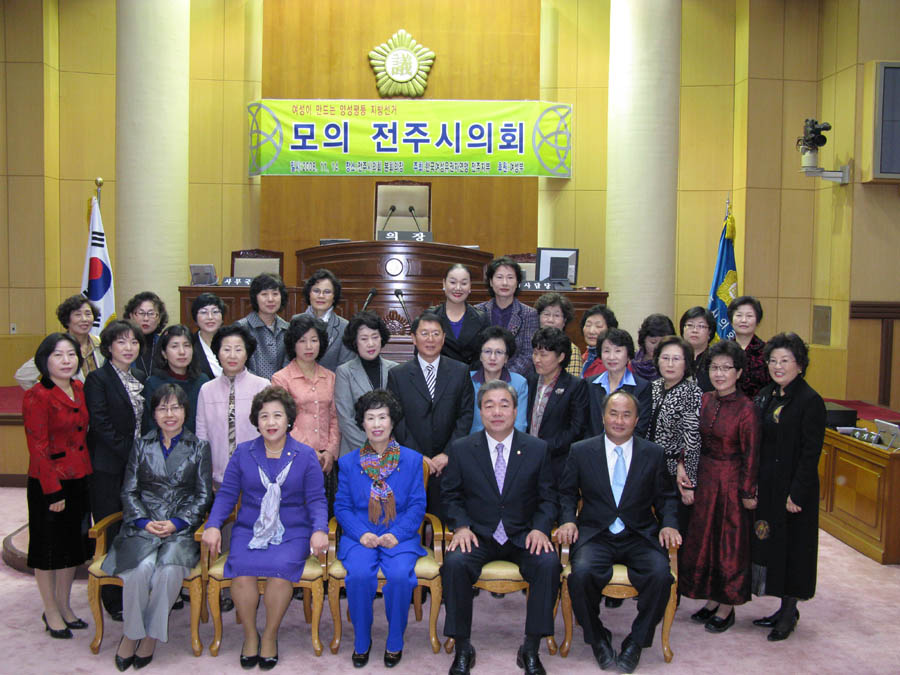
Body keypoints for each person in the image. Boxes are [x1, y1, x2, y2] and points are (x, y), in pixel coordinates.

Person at [202, 386, 329, 670]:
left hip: (292, 528)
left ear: (289, 420)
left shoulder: (305, 455)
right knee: (242, 573)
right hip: (251, 527)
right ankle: (250, 635)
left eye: (277, 416)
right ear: (256, 421)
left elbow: (317, 499)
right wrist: (212, 525)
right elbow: (226, 494)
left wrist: (319, 528)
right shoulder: (244, 453)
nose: (271, 423)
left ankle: (270, 635)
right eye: (264, 416)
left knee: (281, 572)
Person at [557, 390, 681, 674]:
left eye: (627, 414)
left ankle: (636, 642)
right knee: (581, 574)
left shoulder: (653, 453)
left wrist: (670, 524)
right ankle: (598, 636)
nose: (619, 420)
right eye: (613, 413)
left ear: (636, 419)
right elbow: (565, 493)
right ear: (603, 417)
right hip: (596, 534)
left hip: (640, 534)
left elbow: (667, 498)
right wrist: (567, 520)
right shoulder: (581, 450)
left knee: (661, 575)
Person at [441, 380, 560, 675]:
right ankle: (462, 646)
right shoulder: (462, 448)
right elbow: (450, 496)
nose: (497, 412)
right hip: (478, 535)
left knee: (548, 563)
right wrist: (461, 526)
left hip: (523, 535)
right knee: (454, 563)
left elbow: (549, 498)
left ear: (516, 411)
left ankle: (531, 647)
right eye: (489, 405)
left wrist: (541, 528)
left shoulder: (537, 448)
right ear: (480, 412)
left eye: (504, 405)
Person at [103, 384, 212, 669]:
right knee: (140, 570)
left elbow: (203, 495)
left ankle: (151, 635)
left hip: (180, 529)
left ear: (185, 411)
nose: (170, 414)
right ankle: (131, 633)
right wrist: (143, 521)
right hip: (143, 524)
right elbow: (128, 491)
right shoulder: (142, 445)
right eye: (162, 408)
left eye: (175, 407)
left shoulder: (199, 447)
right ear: (153, 414)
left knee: (168, 572)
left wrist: (177, 523)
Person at [334, 389, 426, 668]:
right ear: (361, 423)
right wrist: (361, 533)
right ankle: (362, 639)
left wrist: (395, 534)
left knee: (399, 576)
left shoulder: (412, 460)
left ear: (392, 421)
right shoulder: (349, 462)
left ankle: (395, 639)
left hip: (400, 534)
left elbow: (417, 506)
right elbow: (342, 507)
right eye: (370, 418)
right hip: (359, 534)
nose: (376, 424)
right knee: (360, 575)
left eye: (382, 417)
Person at [679, 340, 760, 633]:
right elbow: (692, 440)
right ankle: (711, 599)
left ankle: (727, 606)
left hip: (732, 482)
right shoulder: (705, 400)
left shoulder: (747, 409)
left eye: (727, 368)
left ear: (738, 372)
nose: (720, 374)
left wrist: (748, 491)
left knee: (729, 545)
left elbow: (752, 455)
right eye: (715, 367)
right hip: (706, 478)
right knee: (705, 541)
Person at [751, 333, 826, 641]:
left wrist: (797, 492)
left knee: (795, 549)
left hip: (795, 491)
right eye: (773, 360)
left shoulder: (810, 401)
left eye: (785, 361)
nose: (778, 366)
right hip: (769, 485)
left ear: (801, 365)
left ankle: (789, 610)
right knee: (774, 546)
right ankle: (782, 607)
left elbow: (811, 454)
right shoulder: (768, 395)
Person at [23, 333, 93, 639]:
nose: (66, 361)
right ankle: (50, 610)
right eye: (58, 355)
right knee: (48, 551)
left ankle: (65, 606)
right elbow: (37, 447)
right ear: (44, 360)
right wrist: (53, 491)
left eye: (71, 355)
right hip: (50, 483)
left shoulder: (79, 388)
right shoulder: (37, 395)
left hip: (80, 478)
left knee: (72, 549)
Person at [84, 319, 146, 621]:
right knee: (110, 529)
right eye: (121, 342)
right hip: (108, 468)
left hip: (134, 468)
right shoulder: (98, 379)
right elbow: (101, 425)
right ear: (109, 346)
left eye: (133, 342)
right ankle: (111, 596)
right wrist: (132, 454)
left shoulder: (137, 377)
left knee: (132, 529)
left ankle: (131, 587)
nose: (128, 347)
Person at [387, 312, 474, 516]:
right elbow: (396, 419)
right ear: (413, 338)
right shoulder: (398, 374)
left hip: (449, 462)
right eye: (424, 333)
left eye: (436, 333)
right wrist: (418, 456)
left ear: (444, 338)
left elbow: (466, 415)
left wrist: (447, 453)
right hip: (410, 461)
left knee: (447, 521)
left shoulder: (460, 371)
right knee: (409, 519)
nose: (430, 339)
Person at [272, 314, 341, 515]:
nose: (309, 346)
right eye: (302, 341)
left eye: (314, 340)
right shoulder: (281, 378)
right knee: (298, 517)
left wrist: (329, 451)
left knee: (326, 515)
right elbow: (281, 422)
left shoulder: (330, 377)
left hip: (327, 461)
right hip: (294, 458)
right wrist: (311, 454)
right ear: (293, 344)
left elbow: (335, 418)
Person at [196, 324, 270, 489]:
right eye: (226, 349)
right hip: (218, 476)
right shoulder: (207, 390)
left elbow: (270, 432)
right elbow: (202, 436)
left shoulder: (262, 386)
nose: (232, 355)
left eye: (238, 349)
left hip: (257, 474)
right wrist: (206, 474)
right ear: (218, 353)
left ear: (247, 353)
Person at [647, 336, 702, 535]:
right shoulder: (652, 387)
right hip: (648, 467)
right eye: (665, 358)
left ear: (686, 363)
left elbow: (692, 438)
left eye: (677, 359)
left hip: (674, 474)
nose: (670, 364)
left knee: (674, 527)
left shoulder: (692, 392)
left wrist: (689, 481)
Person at [526, 327, 588, 485]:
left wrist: (544, 447)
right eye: (535, 353)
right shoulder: (529, 382)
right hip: (528, 460)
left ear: (560, 356)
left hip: (558, 464)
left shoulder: (575, 385)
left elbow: (576, 429)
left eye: (543, 355)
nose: (537, 359)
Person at [334, 312, 398, 457]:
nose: (371, 343)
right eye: (364, 338)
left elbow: (398, 415)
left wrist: (387, 447)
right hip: (355, 451)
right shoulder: (344, 372)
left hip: (391, 452)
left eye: (375, 337)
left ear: (382, 338)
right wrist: (373, 449)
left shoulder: (395, 369)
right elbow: (345, 419)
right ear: (355, 342)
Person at [15, 295, 105, 389]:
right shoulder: (56, 346)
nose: (84, 319)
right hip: (72, 402)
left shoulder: (102, 343)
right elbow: (23, 376)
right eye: (78, 315)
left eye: (88, 314)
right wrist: (50, 394)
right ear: (66, 320)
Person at [475, 256, 539, 376]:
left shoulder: (529, 314)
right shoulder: (478, 311)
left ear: (517, 283)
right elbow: (474, 350)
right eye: (499, 277)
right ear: (491, 282)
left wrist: (506, 376)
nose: (505, 282)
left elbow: (528, 354)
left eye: (510, 278)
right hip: (483, 377)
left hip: (517, 379)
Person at [141, 324, 210, 434]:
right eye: (174, 346)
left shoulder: (203, 381)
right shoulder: (153, 383)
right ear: (164, 353)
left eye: (187, 345)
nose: (182, 352)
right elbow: (149, 425)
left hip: (198, 446)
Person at [585, 328, 652, 438]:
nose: (611, 357)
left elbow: (640, 428)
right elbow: (584, 425)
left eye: (618, 351)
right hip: (593, 450)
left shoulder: (642, 387)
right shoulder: (589, 384)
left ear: (628, 354)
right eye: (606, 351)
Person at [292, 268, 355, 372]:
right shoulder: (295, 321)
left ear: (334, 296)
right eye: (316, 291)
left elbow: (346, 369)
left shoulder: (345, 327)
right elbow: (288, 360)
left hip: (332, 385)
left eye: (327, 292)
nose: (321, 296)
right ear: (309, 293)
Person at [429, 263, 490, 367]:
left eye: (464, 283)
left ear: (470, 286)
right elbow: (421, 355)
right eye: (453, 282)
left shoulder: (481, 318)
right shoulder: (430, 316)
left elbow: (485, 355)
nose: (458, 288)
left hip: (470, 378)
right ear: (444, 284)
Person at [469, 326, 528, 434]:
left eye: (499, 352)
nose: (492, 357)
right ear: (480, 356)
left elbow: (520, 425)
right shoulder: (467, 380)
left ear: (506, 358)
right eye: (487, 351)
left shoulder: (519, 383)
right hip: (472, 445)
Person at [237, 272, 290, 379]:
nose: (270, 299)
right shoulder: (242, 327)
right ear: (255, 298)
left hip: (281, 391)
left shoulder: (287, 328)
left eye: (275, 294)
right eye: (264, 294)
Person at [728, 295, 771, 398]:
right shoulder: (723, 350)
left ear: (758, 320)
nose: (743, 320)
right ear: (731, 319)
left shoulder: (767, 352)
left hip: (758, 410)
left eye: (749, 316)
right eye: (739, 315)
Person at [534, 292, 582, 376]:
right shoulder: (532, 343)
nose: (550, 320)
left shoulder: (572, 350)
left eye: (557, 315)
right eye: (546, 314)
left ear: (564, 321)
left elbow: (573, 384)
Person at [123, 291, 168, 376]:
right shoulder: (121, 345)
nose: (146, 318)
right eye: (141, 313)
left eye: (151, 313)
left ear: (159, 318)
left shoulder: (164, 345)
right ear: (131, 316)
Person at [190, 292, 226, 379]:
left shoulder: (232, 340)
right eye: (203, 312)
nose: (210, 317)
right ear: (195, 318)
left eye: (215, 311)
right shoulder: (190, 345)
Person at [679, 306, 715, 392]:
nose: (695, 330)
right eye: (690, 325)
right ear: (682, 329)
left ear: (710, 332)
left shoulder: (715, 358)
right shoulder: (674, 357)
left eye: (701, 326)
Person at [632, 313, 675, 382]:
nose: (657, 347)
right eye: (653, 342)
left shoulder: (672, 365)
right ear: (643, 339)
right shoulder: (632, 361)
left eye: (662, 343)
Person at [580, 304, 618, 378]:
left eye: (598, 326)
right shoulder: (583, 357)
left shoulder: (614, 361)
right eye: (588, 325)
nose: (591, 331)